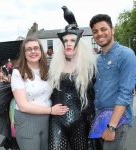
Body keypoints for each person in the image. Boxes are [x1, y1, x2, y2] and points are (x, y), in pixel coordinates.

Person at [48, 12, 100, 150]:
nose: (68, 43)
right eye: (65, 41)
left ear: (78, 42)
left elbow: (97, 92)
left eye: (72, 40)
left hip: (80, 121)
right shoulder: (54, 67)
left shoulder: (89, 68)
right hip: (57, 121)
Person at [11, 37, 69, 150]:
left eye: (36, 48)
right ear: (24, 53)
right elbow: (23, 106)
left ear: (41, 51)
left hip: (47, 121)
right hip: (27, 121)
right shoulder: (18, 72)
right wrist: (52, 110)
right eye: (29, 49)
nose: (33, 51)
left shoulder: (48, 70)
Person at [89, 14, 136, 150]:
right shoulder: (97, 59)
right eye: (95, 31)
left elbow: (126, 93)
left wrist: (111, 126)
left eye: (103, 29)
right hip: (100, 121)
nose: (99, 34)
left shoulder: (126, 54)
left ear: (112, 30)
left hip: (117, 123)